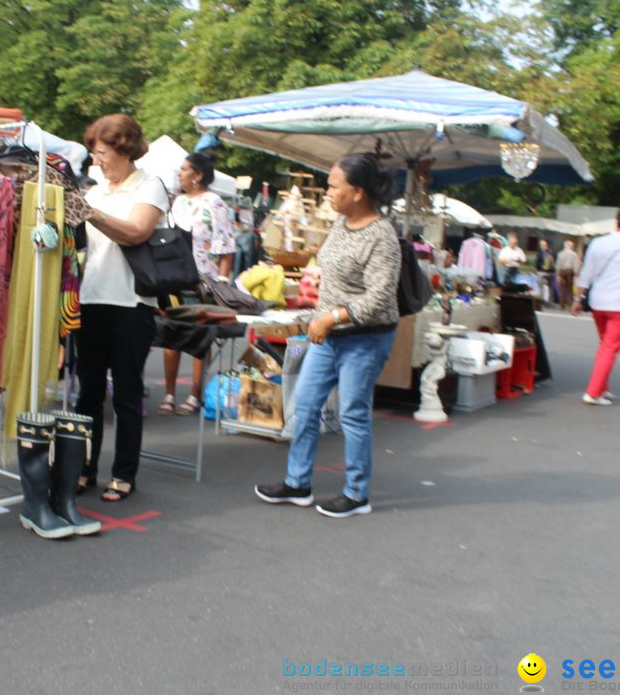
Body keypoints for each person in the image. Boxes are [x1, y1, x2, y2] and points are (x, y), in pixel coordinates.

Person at [255, 153, 401, 518]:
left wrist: (332, 316)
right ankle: (297, 483)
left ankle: (356, 493)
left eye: (334, 186)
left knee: (352, 413)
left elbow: (379, 297)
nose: (328, 193)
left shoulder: (381, 236)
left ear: (358, 191)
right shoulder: (340, 222)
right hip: (327, 334)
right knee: (304, 405)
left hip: (365, 337)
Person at [76, 114, 169, 501]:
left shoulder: (150, 187)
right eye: (94, 154)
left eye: (102, 153)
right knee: (88, 394)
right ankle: (83, 467)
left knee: (128, 395)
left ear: (124, 148)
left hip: (131, 304)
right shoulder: (94, 191)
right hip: (90, 300)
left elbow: (137, 232)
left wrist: (89, 213)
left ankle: (123, 474)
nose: (97, 161)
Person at [157, 152, 236, 416]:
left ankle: (194, 394)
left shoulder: (215, 203)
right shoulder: (176, 202)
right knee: (172, 334)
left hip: (204, 280)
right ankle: (169, 393)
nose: (180, 174)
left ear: (198, 174)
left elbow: (226, 246)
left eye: (184, 169)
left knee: (199, 338)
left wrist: (222, 283)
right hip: (173, 279)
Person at [572, 204, 620, 405]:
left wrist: (579, 299)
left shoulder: (597, 243)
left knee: (605, 345)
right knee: (610, 347)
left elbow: (586, 273)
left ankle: (602, 386)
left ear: (616, 221)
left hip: (598, 301)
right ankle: (593, 392)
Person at [556, 240, 580, 309]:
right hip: (570, 271)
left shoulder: (560, 253)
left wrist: (558, 274)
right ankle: (570, 305)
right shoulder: (574, 254)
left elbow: (558, 264)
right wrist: (576, 274)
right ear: (571, 246)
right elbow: (575, 265)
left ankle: (561, 305)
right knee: (569, 289)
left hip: (562, 271)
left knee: (562, 288)